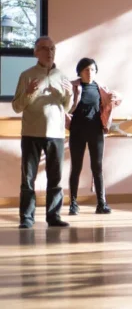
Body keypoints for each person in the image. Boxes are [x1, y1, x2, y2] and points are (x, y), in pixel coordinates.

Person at [11, 37, 73, 229]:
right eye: (44, 49)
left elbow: (67, 107)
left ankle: (53, 217)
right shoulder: (26, 75)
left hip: (56, 134)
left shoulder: (62, 76)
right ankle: (27, 218)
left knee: (55, 178)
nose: (49, 52)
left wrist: (69, 95)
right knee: (28, 179)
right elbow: (16, 107)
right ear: (36, 52)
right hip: (31, 133)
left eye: (52, 48)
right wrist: (29, 92)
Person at [66, 58, 122, 216]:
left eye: (92, 70)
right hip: (77, 131)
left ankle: (101, 203)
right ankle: (73, 204)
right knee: (76, 168)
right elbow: (62, 105)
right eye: (86, 70)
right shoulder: (72, 86)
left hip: (96, 131)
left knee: (97, 167)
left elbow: (117, 99)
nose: (89, 73)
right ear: (80, 72)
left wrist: (115, 98)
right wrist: (67, 122)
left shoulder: (101, 88)